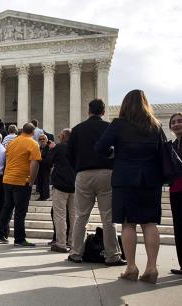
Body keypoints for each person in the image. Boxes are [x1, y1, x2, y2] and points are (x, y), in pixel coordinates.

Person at [95, 90, 164, 283]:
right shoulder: (156, 126)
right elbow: (161, 153)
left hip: (125, 178)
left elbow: (100, 148)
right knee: (149, 223)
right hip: (150, 180)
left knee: (128, 223)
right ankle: (151, 267)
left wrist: (114, 155)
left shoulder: (118, 125)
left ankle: (131, 266)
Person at [67, 99, 125, 266]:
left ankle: (76, 253)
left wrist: (78, 169)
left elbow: (69, 155)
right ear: (103, 111)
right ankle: (112, 255)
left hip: (83, 174)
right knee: (108, 217)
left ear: (88, 111)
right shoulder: (110, 127)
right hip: (107, 173)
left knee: (81, 216)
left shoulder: (77, 130)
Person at [0, 123, 41, 247]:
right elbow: (35, 163)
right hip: (21, 180)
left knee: (7, 207)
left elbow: (7, 159)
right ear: (33, 132)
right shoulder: (33, 143)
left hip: (8, 179)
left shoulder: (12, 143)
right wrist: (31, 180)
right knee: (20, 211)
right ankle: (19, 239)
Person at [45, 129, 75, 253]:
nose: (58, 136)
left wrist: (52, 149)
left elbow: (47, 162)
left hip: (61, 185)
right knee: (74, 216)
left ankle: (61, 243)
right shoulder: (77, 148)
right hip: (74, 185)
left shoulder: (59, 147)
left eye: (60, 135)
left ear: (63, 137)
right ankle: (73, 242)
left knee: (60, 215)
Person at [168, 112, 182, 275]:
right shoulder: (172, 145)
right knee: (178, 227)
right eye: (174, 122)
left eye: (180, 121)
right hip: (175, 190)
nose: (177, 124)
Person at [36, 134, 51, 201]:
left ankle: (46, 196)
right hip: (39, 167)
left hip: (46, 167)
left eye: (43, 139)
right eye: (40, 139)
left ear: (46, 140)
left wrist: (40, 160)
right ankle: (41, 196)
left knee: (45, 182)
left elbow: (49, 159)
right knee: (40, 182)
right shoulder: (39, 148)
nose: (42, 140)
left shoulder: (49, 148)